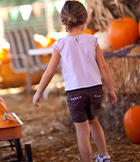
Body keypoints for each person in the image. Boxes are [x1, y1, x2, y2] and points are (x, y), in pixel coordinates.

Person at [32, 1, 117, 162]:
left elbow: (49, 71)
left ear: (64, 21)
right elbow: (104, 67)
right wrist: (111, 90)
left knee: (82, 133)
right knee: (94, 121)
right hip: (95, 90)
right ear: (84, 21)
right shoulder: (93, 40)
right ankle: (104, 156)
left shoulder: (60, 44)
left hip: (76, 93)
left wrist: (38, 92)